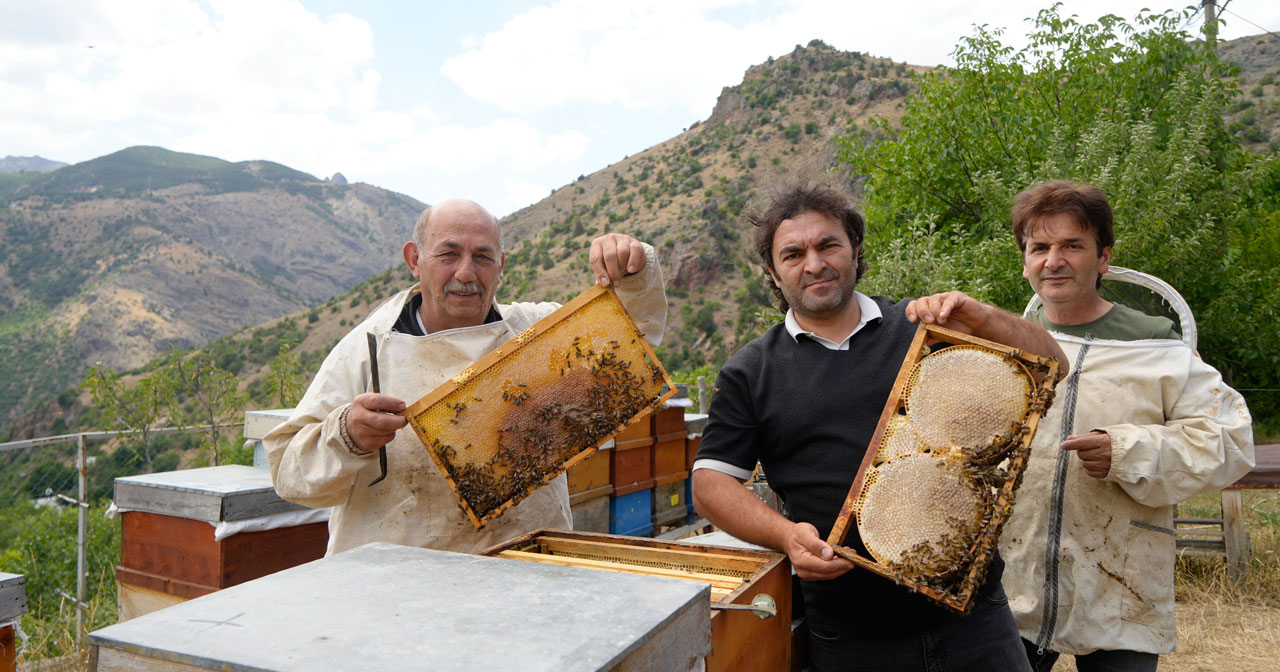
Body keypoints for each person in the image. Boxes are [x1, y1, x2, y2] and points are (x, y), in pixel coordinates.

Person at [691, 172, 1066, 672]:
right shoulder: (750, 371)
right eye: (793, 254)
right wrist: (784, 535)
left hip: (975, 620)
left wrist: (985, 319)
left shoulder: (922, 327)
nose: (815, 264)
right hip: (853, 636)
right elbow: (711, 483)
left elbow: (1052, 368)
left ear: (855, 249)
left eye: (829, 245)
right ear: (772, 271)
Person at [264, 199, 667, 556]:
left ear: (501, 266)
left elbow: (634, 335)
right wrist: (346, 435)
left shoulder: (539, 332)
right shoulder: (365, 350)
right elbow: (289, 473)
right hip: (396, 588)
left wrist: (634, 265)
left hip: (524, 573)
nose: (465, 272)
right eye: (448, 254)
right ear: (414, 259)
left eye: (482, 256)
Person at [999, 180, 1255, 672]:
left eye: (1073, 245)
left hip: (1120, 579)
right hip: (1016, 583)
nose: (1054, 260)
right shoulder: (1008, 346)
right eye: (1040, 247)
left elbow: (1230, 437)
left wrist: (1127, 451)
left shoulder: (1158, 346)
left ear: (1103, 258)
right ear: (1026, 260)